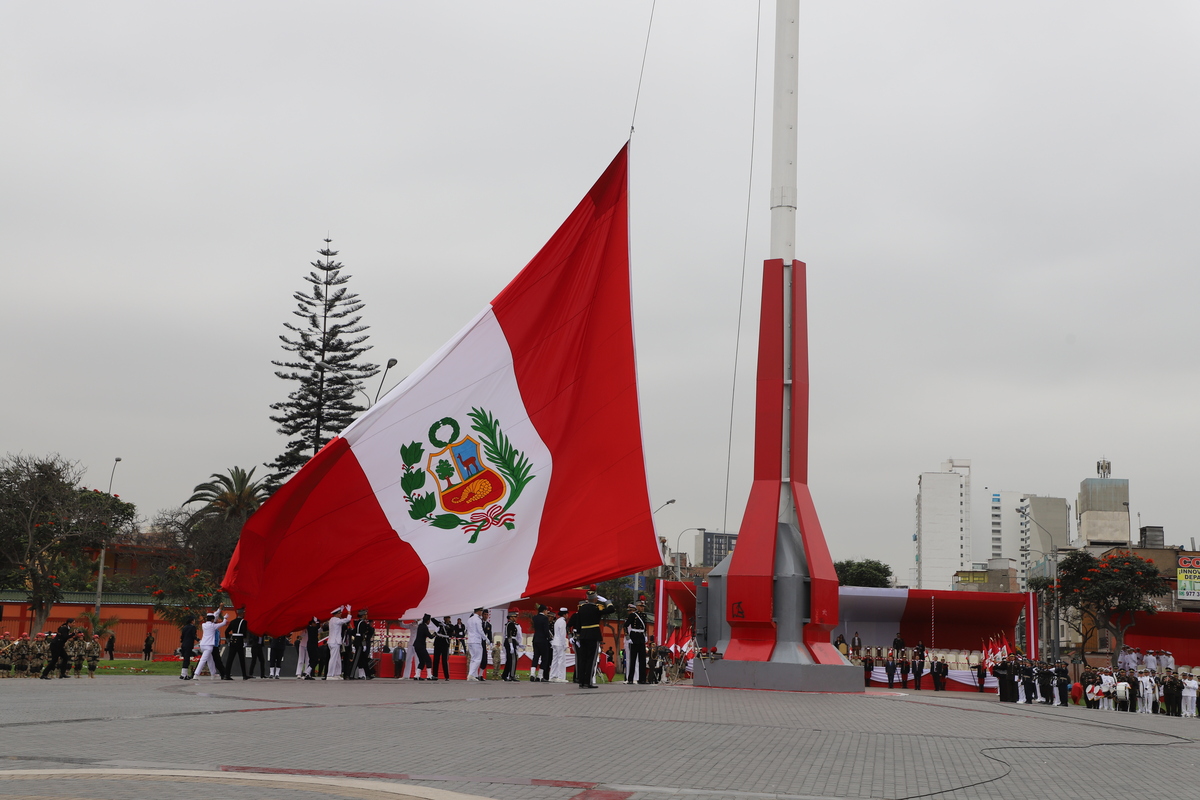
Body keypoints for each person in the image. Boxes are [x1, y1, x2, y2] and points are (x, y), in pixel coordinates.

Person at [568, 590, 614, 689]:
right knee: (591, 660)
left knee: (583, 659)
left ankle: (581, 681)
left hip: (583, 635)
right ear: (595, 599)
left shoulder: (581, 609)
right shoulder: (596, 608)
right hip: (593, 635)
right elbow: (611, 609)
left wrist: (579, 636)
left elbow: (578, 623)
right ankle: (587, 682)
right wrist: (607, 601)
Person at [191, 609, 230, 680]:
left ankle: (213, 673)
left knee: (210, 660)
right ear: (212, 620)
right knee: (203, 660)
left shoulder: (203, 625)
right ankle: (196, 674)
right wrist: (225, 618)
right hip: (209, 646)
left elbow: (213, 617)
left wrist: (217, 612)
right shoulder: (213, 626)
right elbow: (224, 623)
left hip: (202, 644)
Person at [224, 608, 252, 679]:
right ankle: (244, 675)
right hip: (240, 640)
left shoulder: (233, 621)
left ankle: (227, 675)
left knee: (230, 658)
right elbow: (245, 632)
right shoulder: (244, 622)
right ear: (241, 614)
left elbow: (226, 631)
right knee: (242, 658)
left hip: (233, 640)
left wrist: (228, 640)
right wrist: (245, 641)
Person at [625, 602, 648, 684]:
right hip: (634, 637)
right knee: (633, 659)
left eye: (643, 606)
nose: (642, 608)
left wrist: (646, 635)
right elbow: (626, 625)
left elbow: (645, 626)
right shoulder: (632, 615)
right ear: (637, 606)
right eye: (641, 606)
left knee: (642, 660)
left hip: (641, 637)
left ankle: (642, 679)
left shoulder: (644, 615)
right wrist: (628, 637)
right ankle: (630, 679)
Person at [326, 607, 350, 680]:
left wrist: (342, 608)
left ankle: (337, 673)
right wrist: (349, 611)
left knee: (337, 659)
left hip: (333, 641)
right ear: (336, 614)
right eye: (340, 613)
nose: (341, 614)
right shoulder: (336, 620)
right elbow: (347, 620)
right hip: (334, 642)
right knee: (333, 658)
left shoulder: (332, 620)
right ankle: (330, 675)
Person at [528, 606, 551, 682]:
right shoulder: (545, 618)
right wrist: (549, 638)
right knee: (544, 658)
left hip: (536, 639)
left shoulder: (535, 618)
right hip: (543, 640)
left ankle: (532, 674)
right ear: (544, 610)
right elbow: (546, 630)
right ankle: (540, 676)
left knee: (536, 657)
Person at [352, 609, 375, 679]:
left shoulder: (359, 622)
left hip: (359, 641)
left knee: (363, 659)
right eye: (365, 615)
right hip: (360, 642)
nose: (366, 616)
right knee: (357, 659)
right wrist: (364, 644)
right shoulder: (362, 623)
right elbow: (363, 634)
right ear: (363, 615)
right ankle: (351, 674)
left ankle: (367, 674)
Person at [465, 608, 485, 681]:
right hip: (476, 641)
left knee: (473, 659)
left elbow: (467, 629)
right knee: (478, 659)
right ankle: (470, 674)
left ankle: (472, 675)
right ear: (479, 611)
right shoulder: (478, 620)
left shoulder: (469, 619)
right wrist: (485, 638)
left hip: (470, 640)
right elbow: (480, 630)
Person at [550, 607, 569, 682]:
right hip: (560, 643)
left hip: (555, 642)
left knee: (554, 660)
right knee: (561, 660)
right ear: (564, 614)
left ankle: (552, 676)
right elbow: (562, 634)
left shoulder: (557, 621)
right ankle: (560, 677)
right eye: (567, 614)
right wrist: (564, 644)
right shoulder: (563, 622)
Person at [502, 611, 521, 681]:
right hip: (510, 642)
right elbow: (509, 635)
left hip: (512, 641)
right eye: (514, 617)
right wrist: (511, 645)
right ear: (511, 617)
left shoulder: (513, 624)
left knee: (510, 660)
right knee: (513, 660)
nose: (516, 618)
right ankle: (512, 675)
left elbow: (514, 636)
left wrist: (518, 644)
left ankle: (505, 675)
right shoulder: (509, 624)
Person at [414, 614, 434, 680]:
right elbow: (430, 636)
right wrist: (435, 634)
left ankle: (416, 675)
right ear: (427, 620)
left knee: (422, 661)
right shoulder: (424, 627)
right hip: (421, 646)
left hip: (416, 645)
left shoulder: (420, 625)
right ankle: (429, 676)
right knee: (428, 660)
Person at [432, 616, 452, 681]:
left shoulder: (451, 626)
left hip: (445, 644)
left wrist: (446, 626)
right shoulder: (440, 624)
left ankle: (446, 676)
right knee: (436, 660)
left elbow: (450, 634)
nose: (446, 619)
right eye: (445, 618)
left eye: (448, 618)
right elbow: (434, 621)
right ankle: (435, 675)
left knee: (444, 660)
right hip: (438, 643)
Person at [179, 615, 198, 680]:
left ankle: (182, 674)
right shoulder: (193, 627)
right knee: (187, 659)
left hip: (184, 644)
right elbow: (193, 635)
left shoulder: (184, 627)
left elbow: (182, 636)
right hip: (189, 644)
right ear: (192, 621)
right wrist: (198, 640)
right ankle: (184, 675)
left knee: (185, 659)